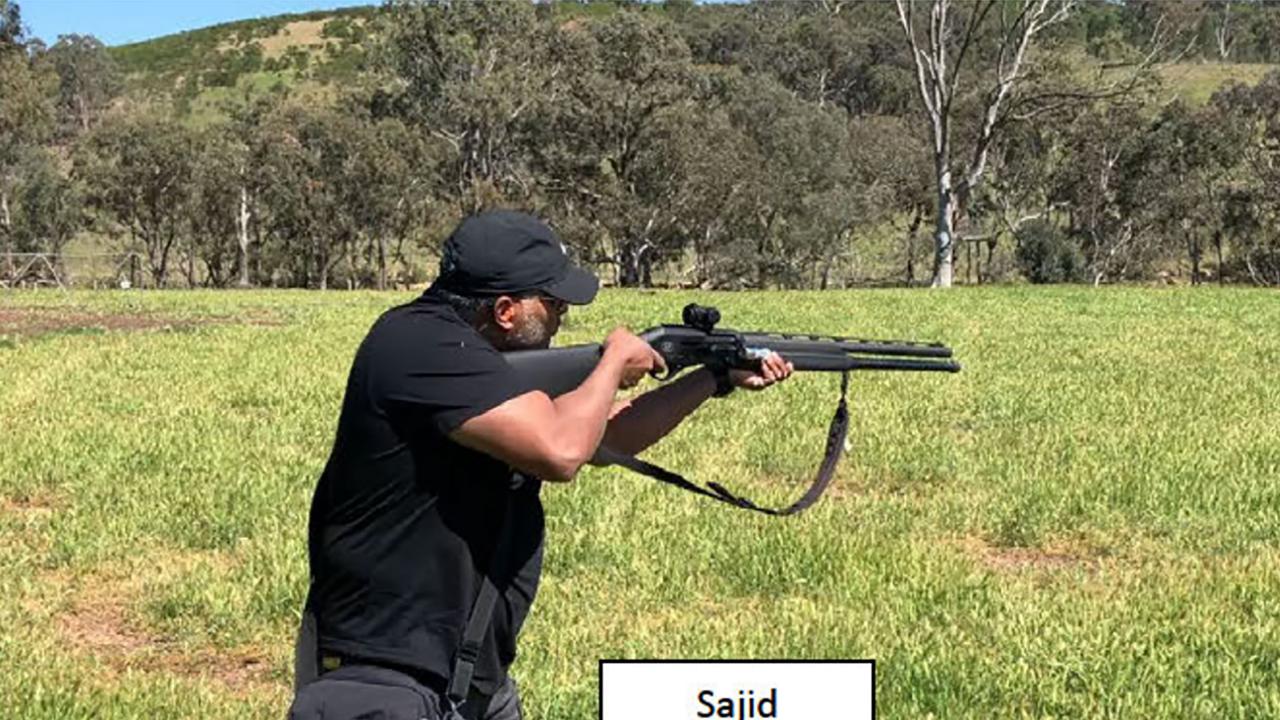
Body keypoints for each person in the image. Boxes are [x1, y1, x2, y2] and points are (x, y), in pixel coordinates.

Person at [288, 210, 793, 720]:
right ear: (506, 310)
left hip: (468, 676)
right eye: (552, 305)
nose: (562, 318)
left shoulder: (473, 356)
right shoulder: (416, 345)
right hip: (383, 679)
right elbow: (560, 451)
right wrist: (613, 363)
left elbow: (604, 434)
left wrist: (713, 377)